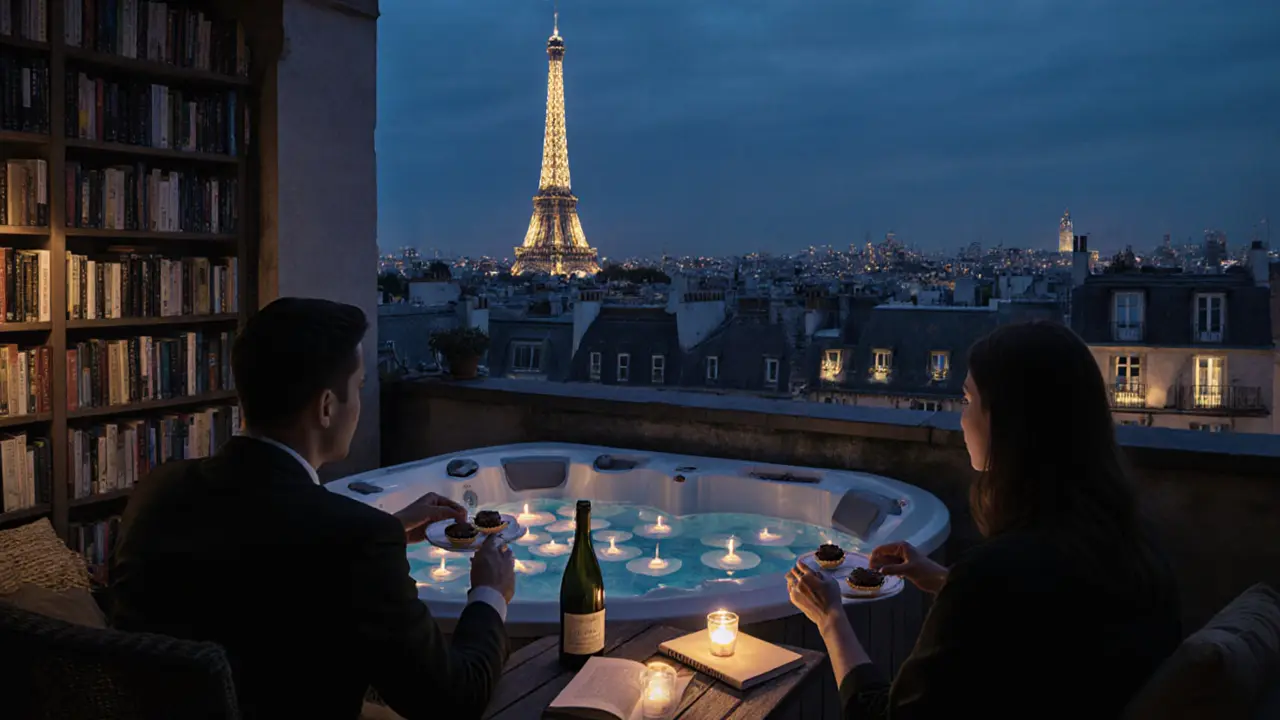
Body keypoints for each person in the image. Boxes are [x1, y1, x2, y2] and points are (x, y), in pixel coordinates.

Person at [109, 298, 515, 720]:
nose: (360, 405)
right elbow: (454, 699)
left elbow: (258, 557)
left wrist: (386, 528)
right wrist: (489, 593)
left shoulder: (156, 492)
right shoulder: (355, 541)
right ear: (325, 408)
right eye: (358, 389)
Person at [788, 320, 1182, 719]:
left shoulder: (993, 577)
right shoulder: (1133, 545)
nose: (961, 420)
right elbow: (1045, 627)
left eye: (966, 401)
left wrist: (831, 618)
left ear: (1007, 421)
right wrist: (944, 580)